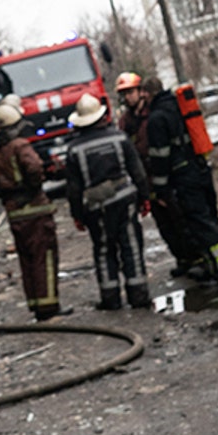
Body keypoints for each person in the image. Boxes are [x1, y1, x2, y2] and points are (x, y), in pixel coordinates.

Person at [0, 95, 67, 320]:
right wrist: (32, 187)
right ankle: (49, 307)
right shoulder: (20, 146)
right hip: (36, 211)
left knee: (26, 260)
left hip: (14, 214)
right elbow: (34, 169)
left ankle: (35, 304)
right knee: (43, 257)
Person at [61, 93, 152, 311]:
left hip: (96, 206)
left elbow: (74, 188)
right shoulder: (119, 138)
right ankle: (138, 295)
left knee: (103, 250)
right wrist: (145, 197)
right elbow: (137, 171)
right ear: (101, 117)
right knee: (131, 245)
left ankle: (110, 298)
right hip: (125, 199)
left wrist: (77, 215)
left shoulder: (74, 150)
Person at [141, 78, 218, 285]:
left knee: (199, 221)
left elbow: (159, 156)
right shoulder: (177, 105)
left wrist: (160, 189)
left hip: (183, 176)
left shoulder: (156, 118)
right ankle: (215, 267)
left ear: (148, 94)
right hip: (200, 168)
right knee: (207, 217)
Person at [118, 73, 198, 277]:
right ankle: (181, 258)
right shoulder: (125, 122)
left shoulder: (153, 114)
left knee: (180, 219)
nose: (128, 97)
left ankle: (195, 259)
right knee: (164, 224)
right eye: (124, 94)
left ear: (140, 92)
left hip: (167, 175)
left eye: (130, 92)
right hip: (145, 180)